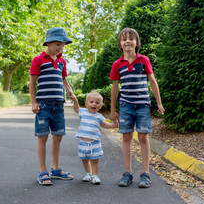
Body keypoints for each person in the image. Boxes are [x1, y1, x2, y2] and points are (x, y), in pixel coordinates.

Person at [110, 27, 165, 188]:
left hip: (142, 105)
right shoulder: (117, 64)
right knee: (126, 138)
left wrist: (159, 103)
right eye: (124, 39)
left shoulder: (143, 60)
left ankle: (145, 173)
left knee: (143, 137)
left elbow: (152, 81)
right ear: (120, 44)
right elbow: (115, 87)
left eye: (131, 39)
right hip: (126, 105)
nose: (128, 41)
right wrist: (113, 110)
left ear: (136, 43)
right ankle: (127, 173)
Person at [29, 27, 75, 186]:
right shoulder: (38, 60)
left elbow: (64, 80)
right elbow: (32, 83)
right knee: (42, 137)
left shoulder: (62, 61)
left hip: (58, 105)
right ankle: (43, 171)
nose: (60, 48)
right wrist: (34, 102)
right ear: (48, 43)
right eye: (57, 44)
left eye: (63, 45)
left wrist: (69, 91)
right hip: (43, 105)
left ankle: (55, 169)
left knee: (58, 137)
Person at [69, 91, 118, 184]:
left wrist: (113, 125)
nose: (94, 104)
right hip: (83, 143)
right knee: (84, 159)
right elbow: (76, 108)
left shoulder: (99, 116)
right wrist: (75, 100)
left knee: (95, 160)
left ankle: (95, 175)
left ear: (100, 106)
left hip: (94, 143)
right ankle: (88, 173)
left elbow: (104, 124)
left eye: (97, 103)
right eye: (91, 102)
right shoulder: (83, 112)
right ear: (86, 104)